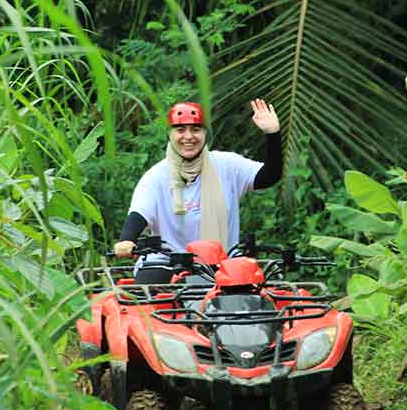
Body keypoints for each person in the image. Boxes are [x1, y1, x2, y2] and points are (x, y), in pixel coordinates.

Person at [113, 99, 282, 283]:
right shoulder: (156, 177)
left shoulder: (227, 165)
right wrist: (127, 240)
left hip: (224, 265)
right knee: (146, 299)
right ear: (170, 134)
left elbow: (269, 176)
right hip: (168, 263)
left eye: (195, 129)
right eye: (180, 130)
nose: (188, 137)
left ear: (204, 133)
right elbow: (139, 213)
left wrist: (272, 135)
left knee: (255, 299)